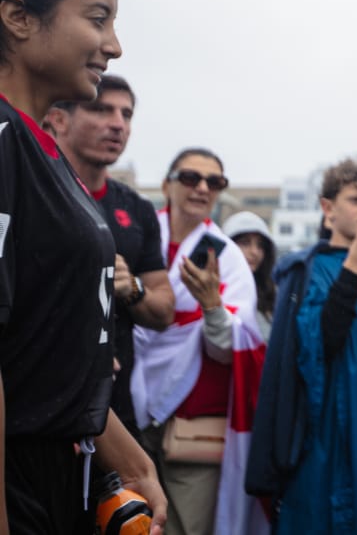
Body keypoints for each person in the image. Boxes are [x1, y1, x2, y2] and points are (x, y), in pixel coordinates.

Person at [0, 0, 166, 534]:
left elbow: (56, 353)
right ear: (18, 18)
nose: (114, 45)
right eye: (97, 19)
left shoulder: (42, 152)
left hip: (63, 470)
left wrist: (128, 456)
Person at [248, 159, 357, 533]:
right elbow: (316, 348)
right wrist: (353, 269)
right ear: (328, 207)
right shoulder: (305, 271)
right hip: (324, 428)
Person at [131, 148, 267, 535]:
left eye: (215, 182)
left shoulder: (229, 259)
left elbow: (232, 350)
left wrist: (211, 306)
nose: (202, 187)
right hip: (123, 416)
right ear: (166, 185)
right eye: (191, 177)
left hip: (193, 425)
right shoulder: (135, 237)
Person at [45, 75, 177, 440]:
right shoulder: (34, 189)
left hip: (116, 410)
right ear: (58, 119)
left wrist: (131, 288)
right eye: (101, 109)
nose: (118, 123)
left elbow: (165, 311)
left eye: (127, 114)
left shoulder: (136, 209)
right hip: (41, 408)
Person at [222, 211, 278, 339]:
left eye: (260, 245)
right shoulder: (210, 290)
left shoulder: (273, 294)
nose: (254, 252)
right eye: (245, 243)